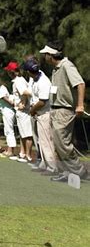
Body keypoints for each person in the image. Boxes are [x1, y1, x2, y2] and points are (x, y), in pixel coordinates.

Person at [40, 42, 88, 181]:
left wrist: (80, 105)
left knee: (63, 144)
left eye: (46, 54)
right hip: (56, 110)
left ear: (52, 55)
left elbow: (80, 84)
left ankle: (79, 171)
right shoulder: (56, 69)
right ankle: (66, 173)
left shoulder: (67, 65)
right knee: (57, 144)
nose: (44, 57)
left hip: (64, 110)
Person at [23, 58, 58, 175]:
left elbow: (43, 101)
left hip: (44, 113)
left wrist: (32, 110)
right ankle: (44, 164)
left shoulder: (43, 82)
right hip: (37, 113)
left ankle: (52, 168)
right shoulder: (36, 77)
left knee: (46, 141)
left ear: (28, 72)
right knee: (39, 141)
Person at [4, 61, 33, 163]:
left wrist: (23, 103)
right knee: (22, 133)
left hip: (23, 111)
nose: (7, 73)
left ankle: (27, 155)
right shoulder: (19, 80)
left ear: (12, 72)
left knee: (27, 134)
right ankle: (22, 153)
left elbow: (25, 93)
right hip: (21, 110)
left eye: (8, 71)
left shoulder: (18, 81)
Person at [0, 76, 17, 158]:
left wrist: (14, 104)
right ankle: (10, 150)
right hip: (5, 111)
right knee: (7, 131)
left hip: (8, 111)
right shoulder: (1, 87)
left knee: (9, 131)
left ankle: (10, 151)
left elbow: (9, 102)